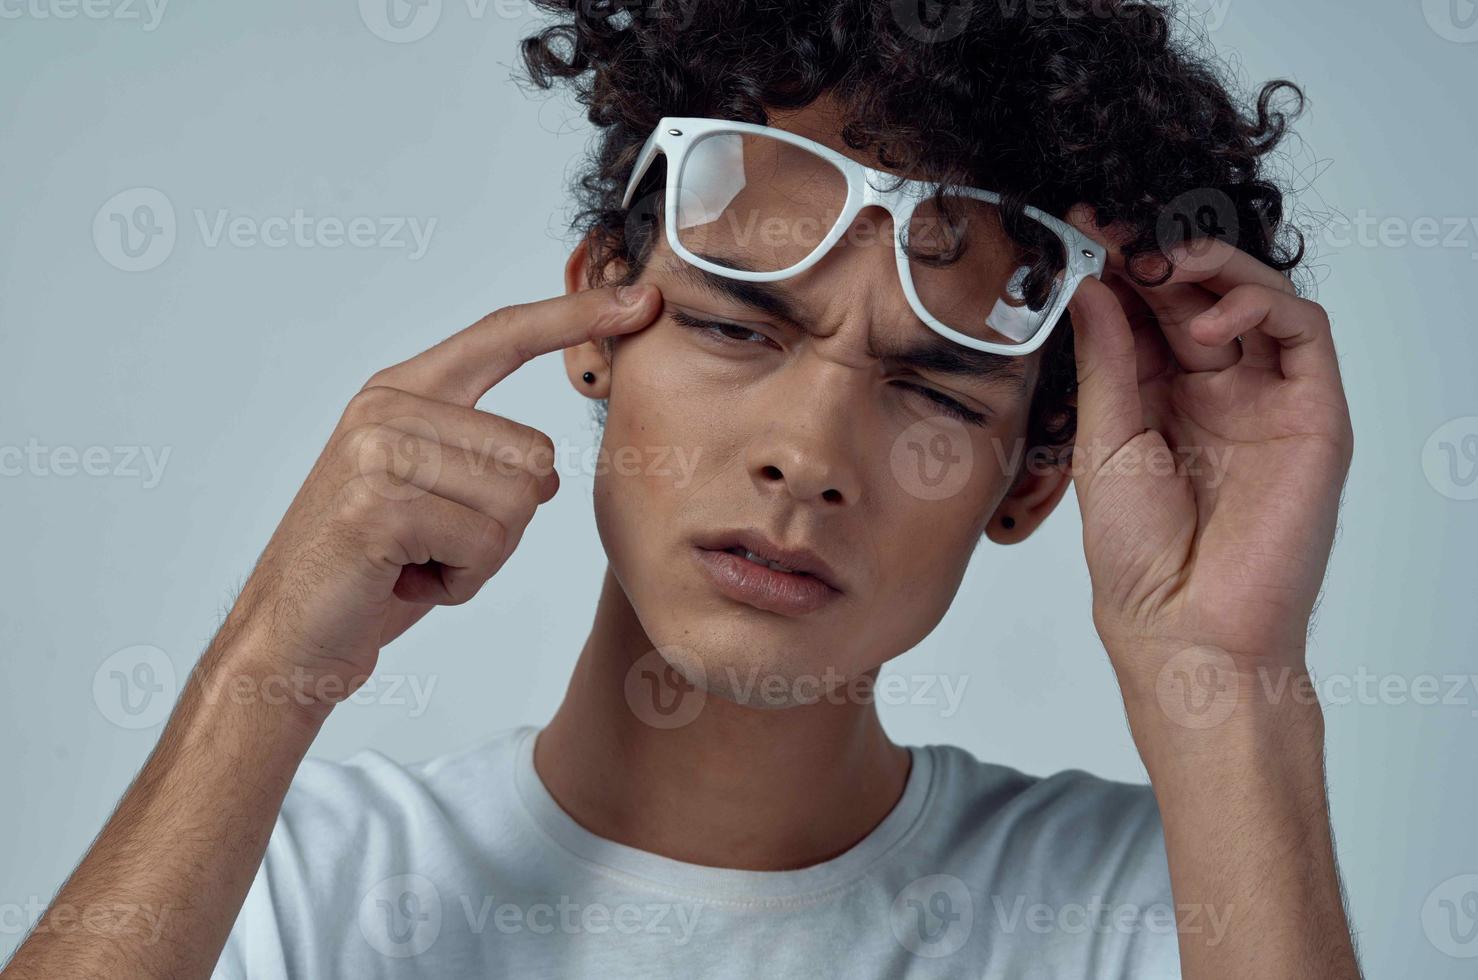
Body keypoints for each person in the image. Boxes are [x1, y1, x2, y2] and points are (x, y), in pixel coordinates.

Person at [2, 1, 1362, 977]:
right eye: (735, 328)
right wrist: (264, 663)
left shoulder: (1151, 907)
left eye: (938, 393)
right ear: (600, 317)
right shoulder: (292, 887)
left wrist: (1227, 687)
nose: (808, 459)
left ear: (1031, 483)